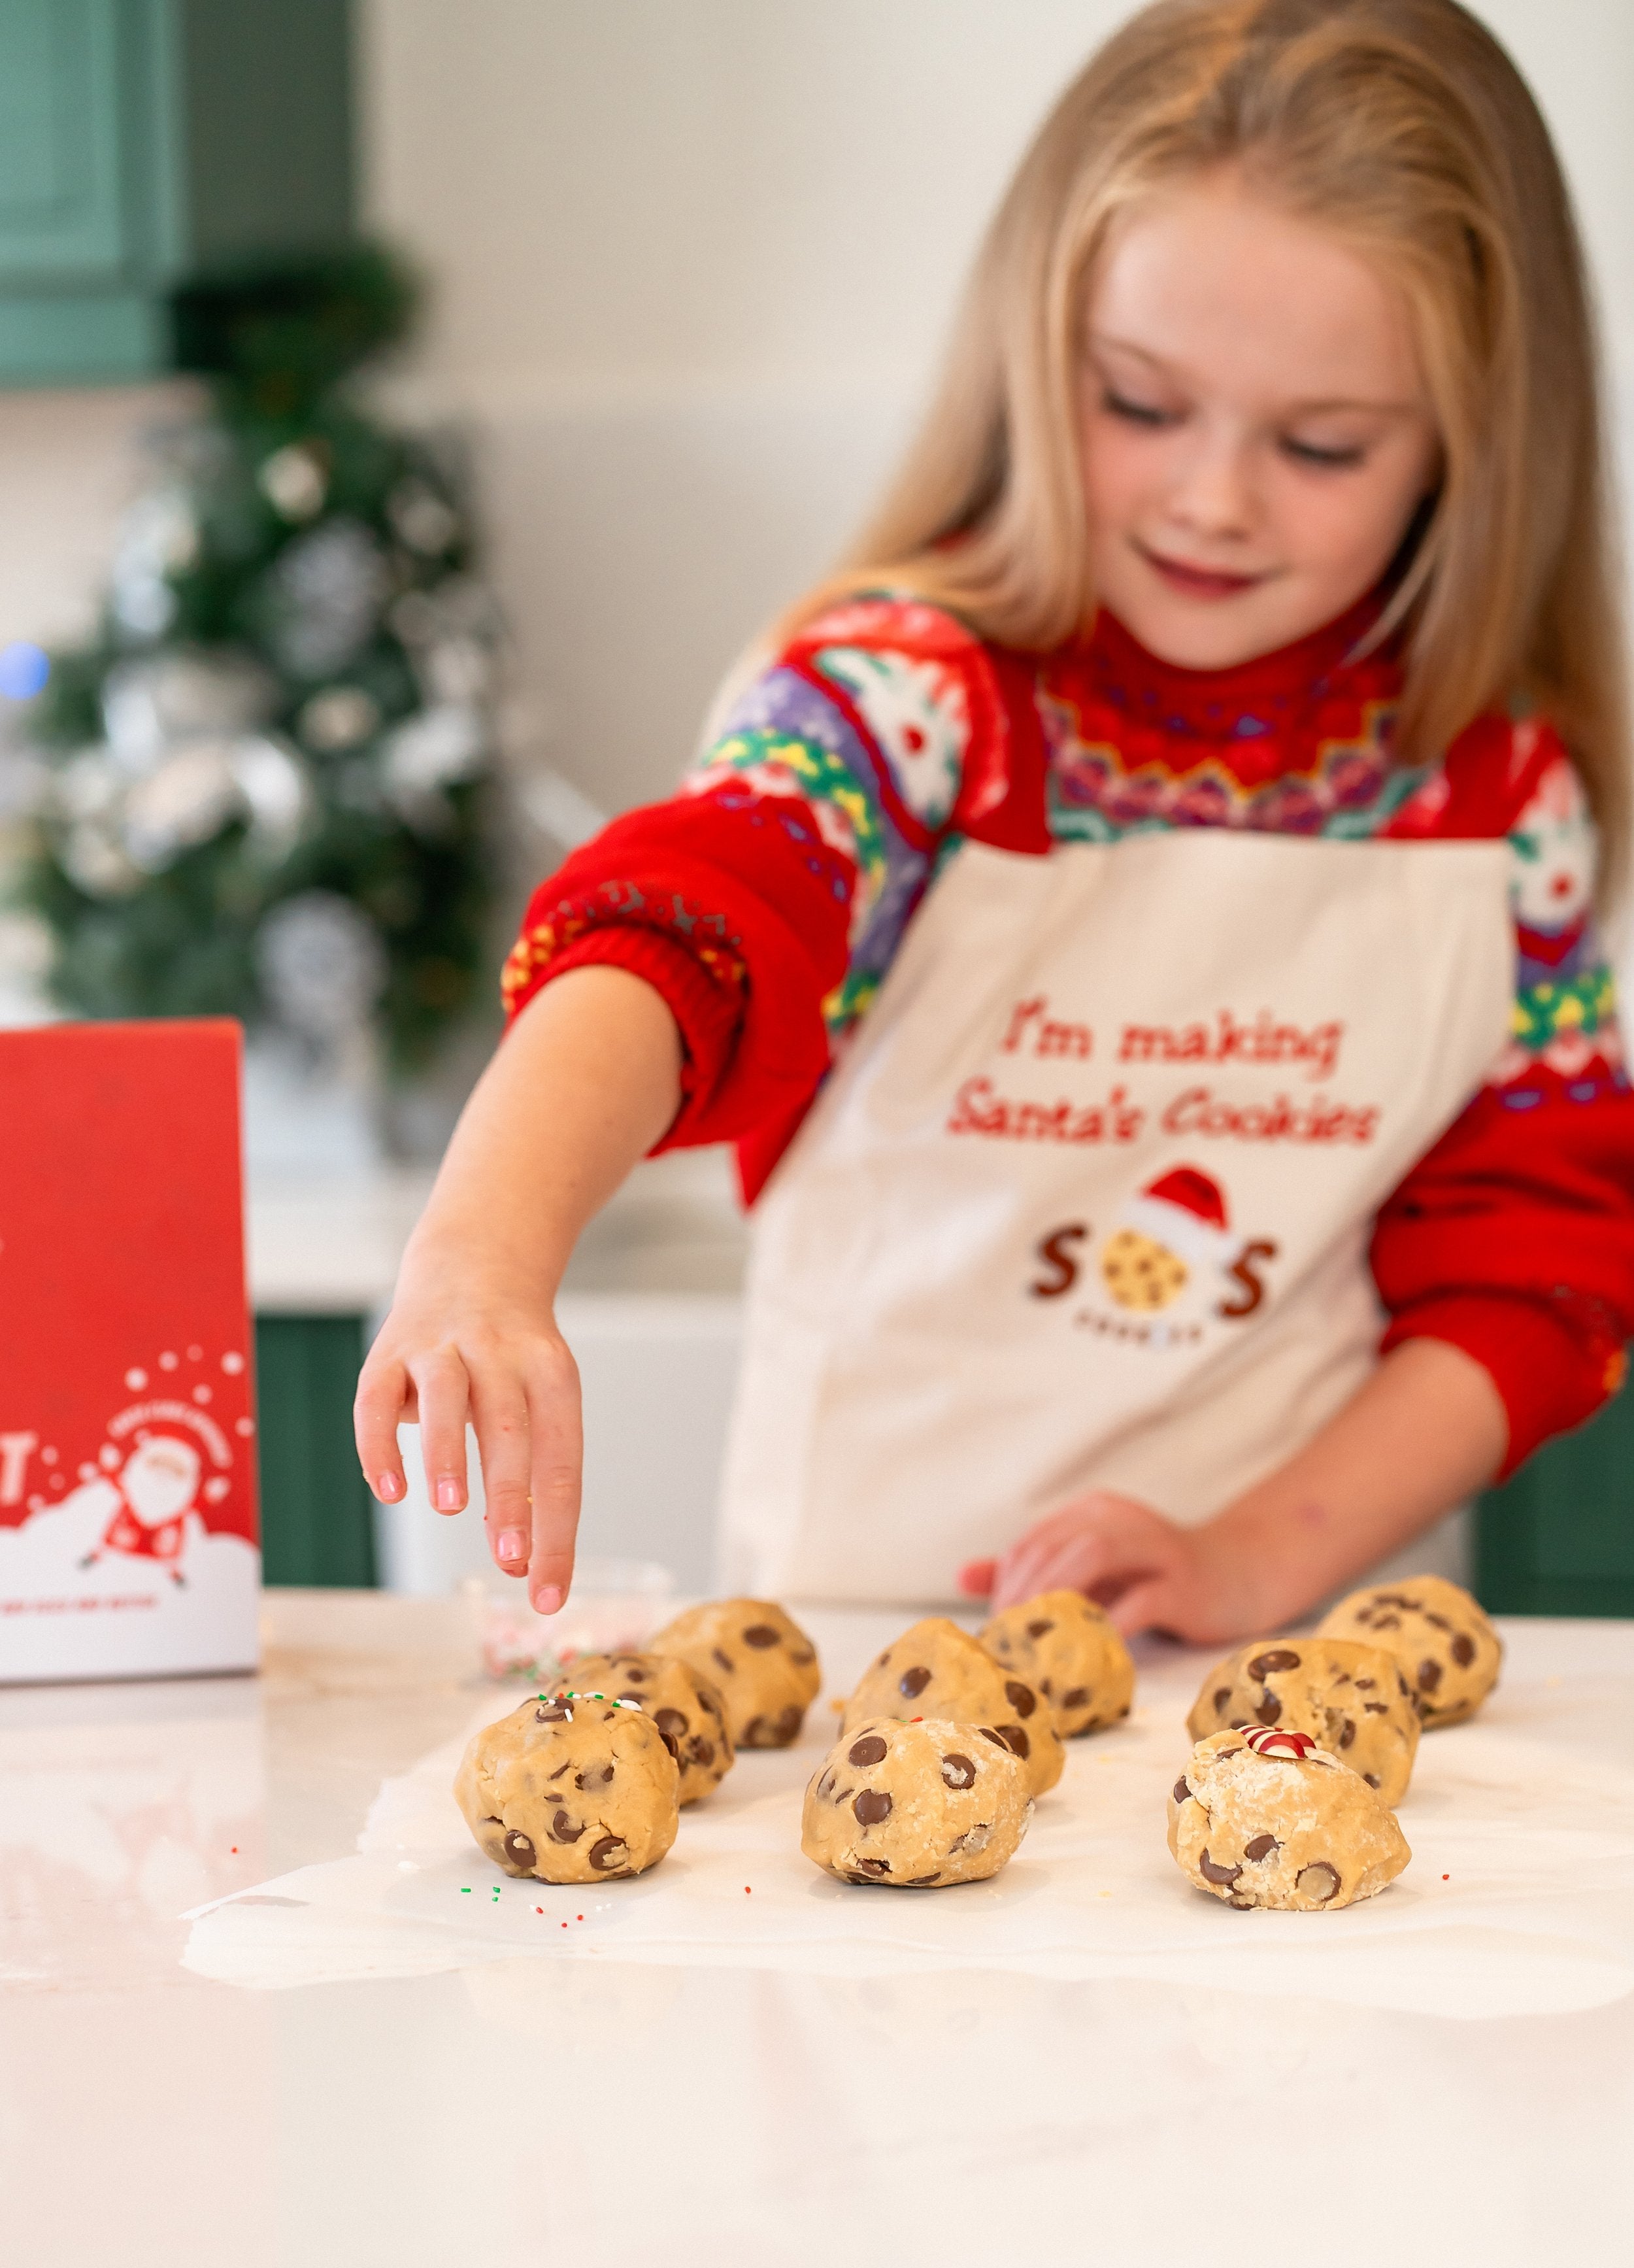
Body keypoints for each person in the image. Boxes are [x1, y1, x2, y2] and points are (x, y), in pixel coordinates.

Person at [356, 0, 1634, 1644]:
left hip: (1294, 1652)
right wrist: (484, 1248)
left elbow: (1541, 1268)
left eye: (1320, 444)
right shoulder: (908, 706)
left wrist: (1245, 1554)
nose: (1211, 498)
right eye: (1139, 404)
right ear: (1036, 352)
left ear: (1472, 448)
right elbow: (683, 938)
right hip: (867, 1644)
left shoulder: (1496, 793)